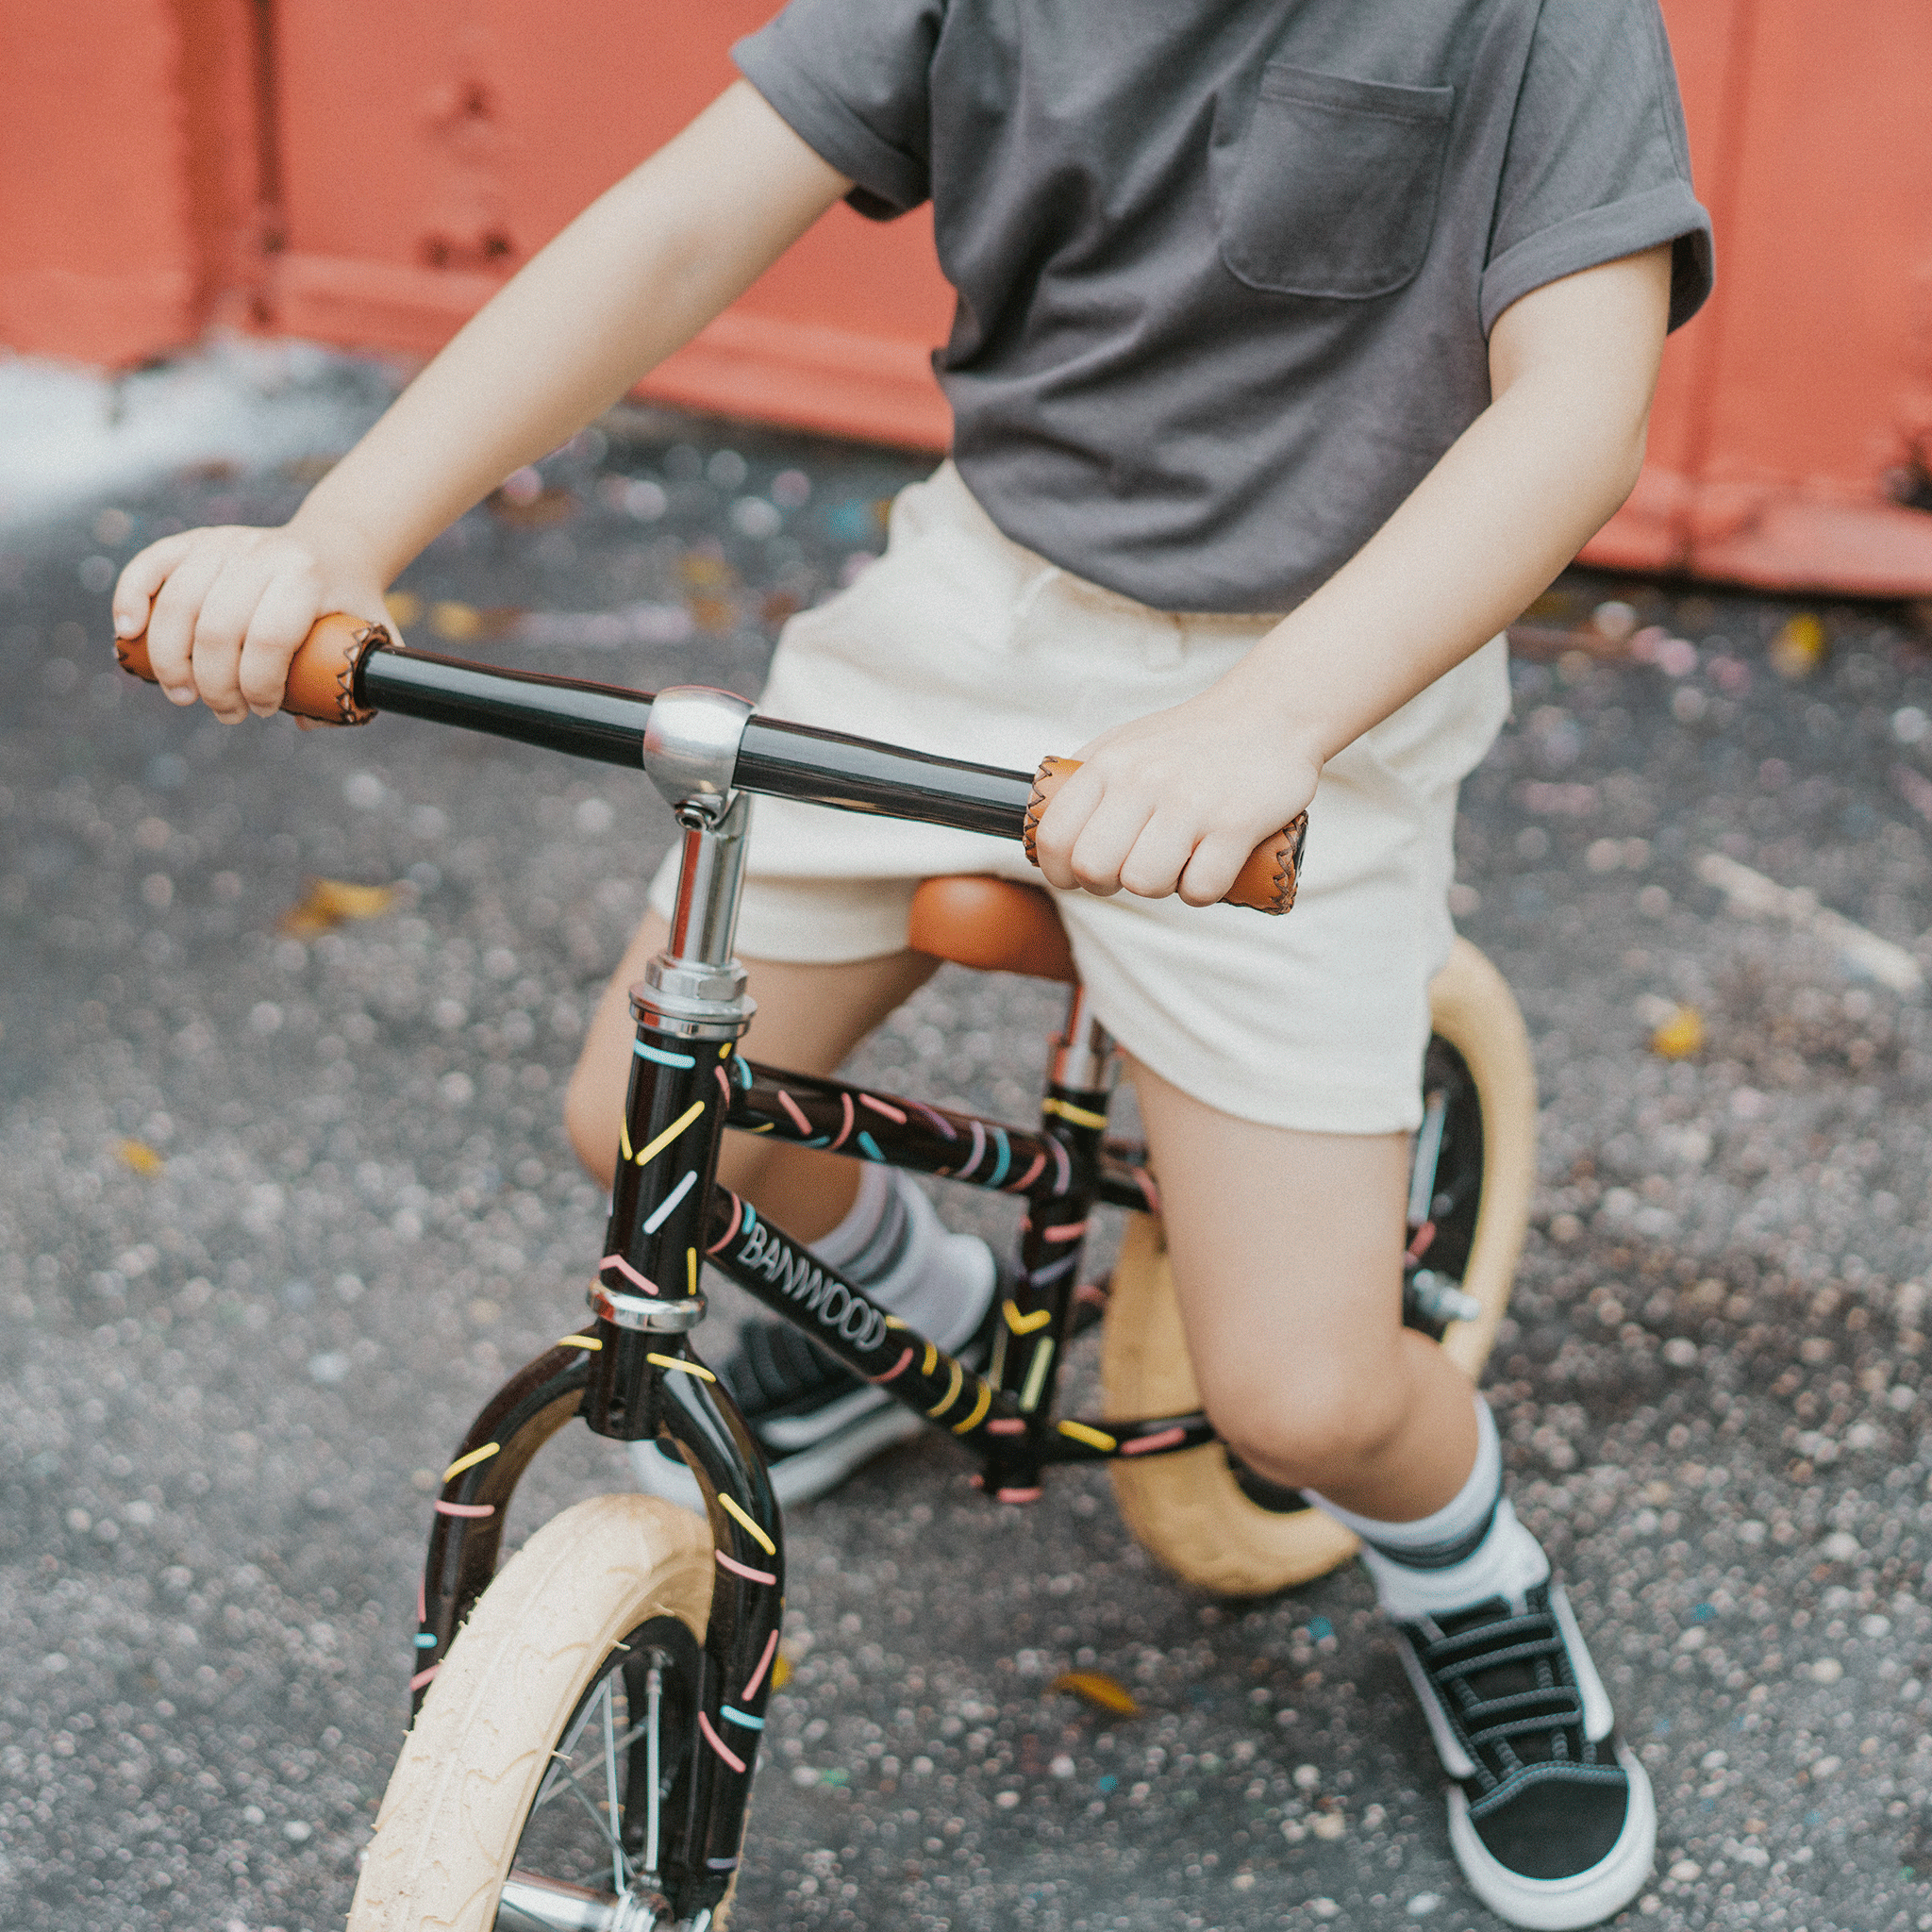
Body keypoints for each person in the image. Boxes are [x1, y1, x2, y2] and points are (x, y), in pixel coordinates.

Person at [113, 4, 1711, 1922]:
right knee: (648, 1123)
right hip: (977, 613)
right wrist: (342, 527)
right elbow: (675, 227)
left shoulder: (1538, 17)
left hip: (1316, 672)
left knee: (1305, 1398)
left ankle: (1474, 1579)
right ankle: (920, 1313)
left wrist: (1272, 719)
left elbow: (1575, 409)